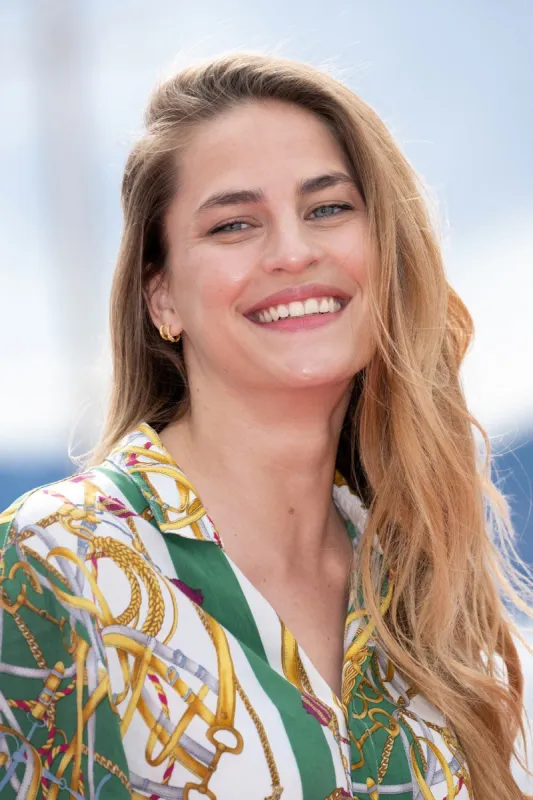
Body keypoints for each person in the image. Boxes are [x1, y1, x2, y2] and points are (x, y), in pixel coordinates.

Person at [0, 52, 532, 800]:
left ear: (386, 254)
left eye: (327, 209)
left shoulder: (437, 601)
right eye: (234, 224)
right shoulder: (55, 567)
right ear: (163, 299)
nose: (292, 252)